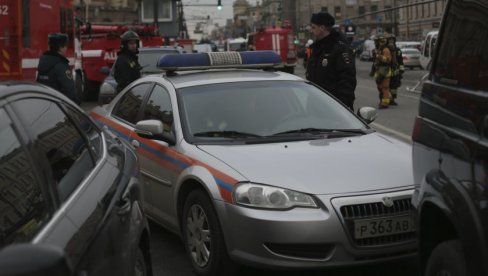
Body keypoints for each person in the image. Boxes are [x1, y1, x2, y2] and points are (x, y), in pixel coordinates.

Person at [305, 12, 356, 110]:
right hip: (315, 102)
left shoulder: (339, 48)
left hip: (333, 104)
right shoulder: (317, 48)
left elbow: (347, 78)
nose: (311, 30)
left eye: (313, 27)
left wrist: (343, 105)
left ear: (322, 28)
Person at [36, 33, 79, 104]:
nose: (66, 48)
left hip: (43, 104)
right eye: (65, 46)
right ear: (61, 47)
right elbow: (70, 90)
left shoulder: (42, 62)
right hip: (58, 106)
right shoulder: (61, 65)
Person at [372, 35, 393, 109]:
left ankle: (385, 103)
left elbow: (388, 60)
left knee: (385, 87)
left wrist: (379, 56)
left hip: (385, 72)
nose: (375, 43)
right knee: (380, 87)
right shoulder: (379, 49)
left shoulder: (385, 50)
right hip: (380, 71)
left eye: (376, 42)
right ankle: (388, 96)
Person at [387, 34, 404, 105]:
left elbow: (400, 61)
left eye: (392, 40)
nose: (391, 41)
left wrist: (401, 70)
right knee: (385, 86)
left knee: (394, 86)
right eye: (389, 40)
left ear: (394, 41)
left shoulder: (398, 50)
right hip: (386, 71)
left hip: (395, 71)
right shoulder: (385, 49)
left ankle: (392, 99)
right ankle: (385, 99)